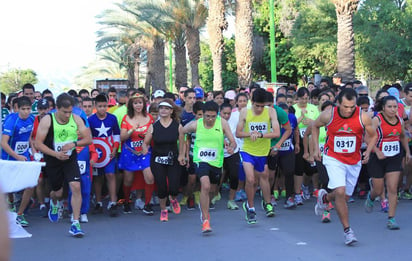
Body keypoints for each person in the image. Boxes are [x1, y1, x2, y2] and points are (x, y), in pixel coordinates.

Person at [312, 88, 377, 245]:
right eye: (345, 106)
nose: (349, 110)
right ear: (338, 103)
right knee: (340, 191)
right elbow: (314, 126)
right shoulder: (329, 115)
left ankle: (325, 197)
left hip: (353, 161)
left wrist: (368, 151)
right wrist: (315, 148)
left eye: (352, 106)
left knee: (345, 196)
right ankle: (348, 231)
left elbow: (373, 135)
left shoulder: (363, 116)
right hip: (333, 157)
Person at [35, 93, 92, 237]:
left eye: (70, 111)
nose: (68, 115)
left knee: (76, 186)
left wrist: (74, 143)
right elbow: (38, 144)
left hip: (70, 158)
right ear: (57, 109)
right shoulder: (48, 120)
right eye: (64, 112)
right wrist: (55, 154)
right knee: (58, 193)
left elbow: (88, 139)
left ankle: (75, 222)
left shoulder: (76, 119)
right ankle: (54, 202)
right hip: (53, 159)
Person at [179, 101, 236, 233]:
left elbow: (232, 141)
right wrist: (182, 154)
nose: (210, 119)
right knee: (205, 185)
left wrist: (231, 147)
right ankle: (205, 220)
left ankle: (205, 210)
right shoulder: (195, 124)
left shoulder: (222, 123)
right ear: (202, 115)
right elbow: (182, 132)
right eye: (207, 116)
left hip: (216, 161)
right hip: (201, 159)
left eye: (213, 116)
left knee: (212, 189)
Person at [365, 96, 411, 229]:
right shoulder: (377, 120)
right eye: (389, 107)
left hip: (394, 157)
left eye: (395, 107)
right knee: (379, 189)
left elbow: (402, 136)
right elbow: (367, 138)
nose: (392, 109)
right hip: (377, 158)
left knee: (392, 188)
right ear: (383, 108)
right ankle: (371, 196)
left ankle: (391, 218)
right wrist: (377, 151)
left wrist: (407, 152)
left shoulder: (399, 120)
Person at [236, 88, 280, 224]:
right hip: (247, 150)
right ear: (252, 102)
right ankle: (250, 208)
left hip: (262, 151)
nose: (260, 109)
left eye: (262, 106)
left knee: (263, 177)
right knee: (250, 180)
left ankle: (267, 203)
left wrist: (261, 134)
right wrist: (251, 133)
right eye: (257, 106)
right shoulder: (245, 112)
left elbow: (277, 133)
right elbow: (238, 133)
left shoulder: (271, 112)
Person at [144, 99, 185, 222]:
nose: (163, 110)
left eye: (166, 108)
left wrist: (182, 155)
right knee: (161, 187)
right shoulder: (153, 126)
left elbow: (182, 142)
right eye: (161, 108)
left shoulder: (178, 126)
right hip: (157, 159)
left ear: (171, 111)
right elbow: (145, 143)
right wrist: (144, 149)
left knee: (173, 187)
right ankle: (163, 210)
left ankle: (173, 199)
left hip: (173, 158)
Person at [118, 93, 155, 214]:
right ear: (131, 105)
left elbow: (152, 134)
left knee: (149, 176)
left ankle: (148, 204)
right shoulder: (126, 118)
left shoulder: (149, 118)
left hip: (145, 151)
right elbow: (122, 137)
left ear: (144, 104)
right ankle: (126, 201)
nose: (138, 105)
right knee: (128, 179)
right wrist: (132, 129)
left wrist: (147, 144)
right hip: (129, 152)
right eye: (135, 103)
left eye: (140, 102)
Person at [1, 96, 35, 227]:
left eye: (28, 109)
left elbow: (30, 137)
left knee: (31, 184)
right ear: (17, 109)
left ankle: (20, 214)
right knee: (8, 187)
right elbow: (3, 143)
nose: (26, 112)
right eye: (23, 109)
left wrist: (33, 150)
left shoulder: (32, 119)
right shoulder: (12, 121)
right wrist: (16, 156)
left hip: (24, 157)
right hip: (9, 158)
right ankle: (10, 205)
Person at [88, 94, 121, 217]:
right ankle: (98, 202)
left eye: (105, 106)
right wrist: (93, 153)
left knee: (110, 174)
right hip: (96, 153)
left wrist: (114, 148)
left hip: (109, 152)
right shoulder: (90, 120)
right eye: (100, 106)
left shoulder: (112, 118)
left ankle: (113, 202)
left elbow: (117, 134)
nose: (102, 109)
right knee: (97, 178)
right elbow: (89, 138)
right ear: (95, 106)